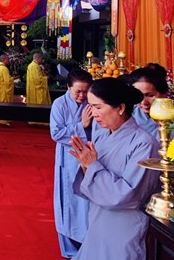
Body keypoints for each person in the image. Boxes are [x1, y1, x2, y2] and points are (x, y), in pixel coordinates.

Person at [69, 78, 160, 259]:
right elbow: (89, 182)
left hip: (124, 226)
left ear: (120, 107)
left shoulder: (144, 144)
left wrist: (92, 166)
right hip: (98, 220)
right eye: (91, 106)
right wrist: (86, 166)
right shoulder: (102, 136)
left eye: (98, 107)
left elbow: (127, 195)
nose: (93, 113)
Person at [50, 68, 93, 259]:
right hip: (68, 160)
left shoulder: (91, 104)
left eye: (86, 91)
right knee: (67, 204)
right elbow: (56, 133)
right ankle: (69, 249)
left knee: (86, 204)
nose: (82, 95)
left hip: (89, 158)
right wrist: (81, 126)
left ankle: (87, 245)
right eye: (78, 91)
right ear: (68, 88)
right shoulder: (60, 104)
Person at [127, 65, 169, 138]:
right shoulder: (127, 117)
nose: (144, 102)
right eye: (138, 96)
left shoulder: (172, 119)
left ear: (164, 93)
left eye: (150, 95)